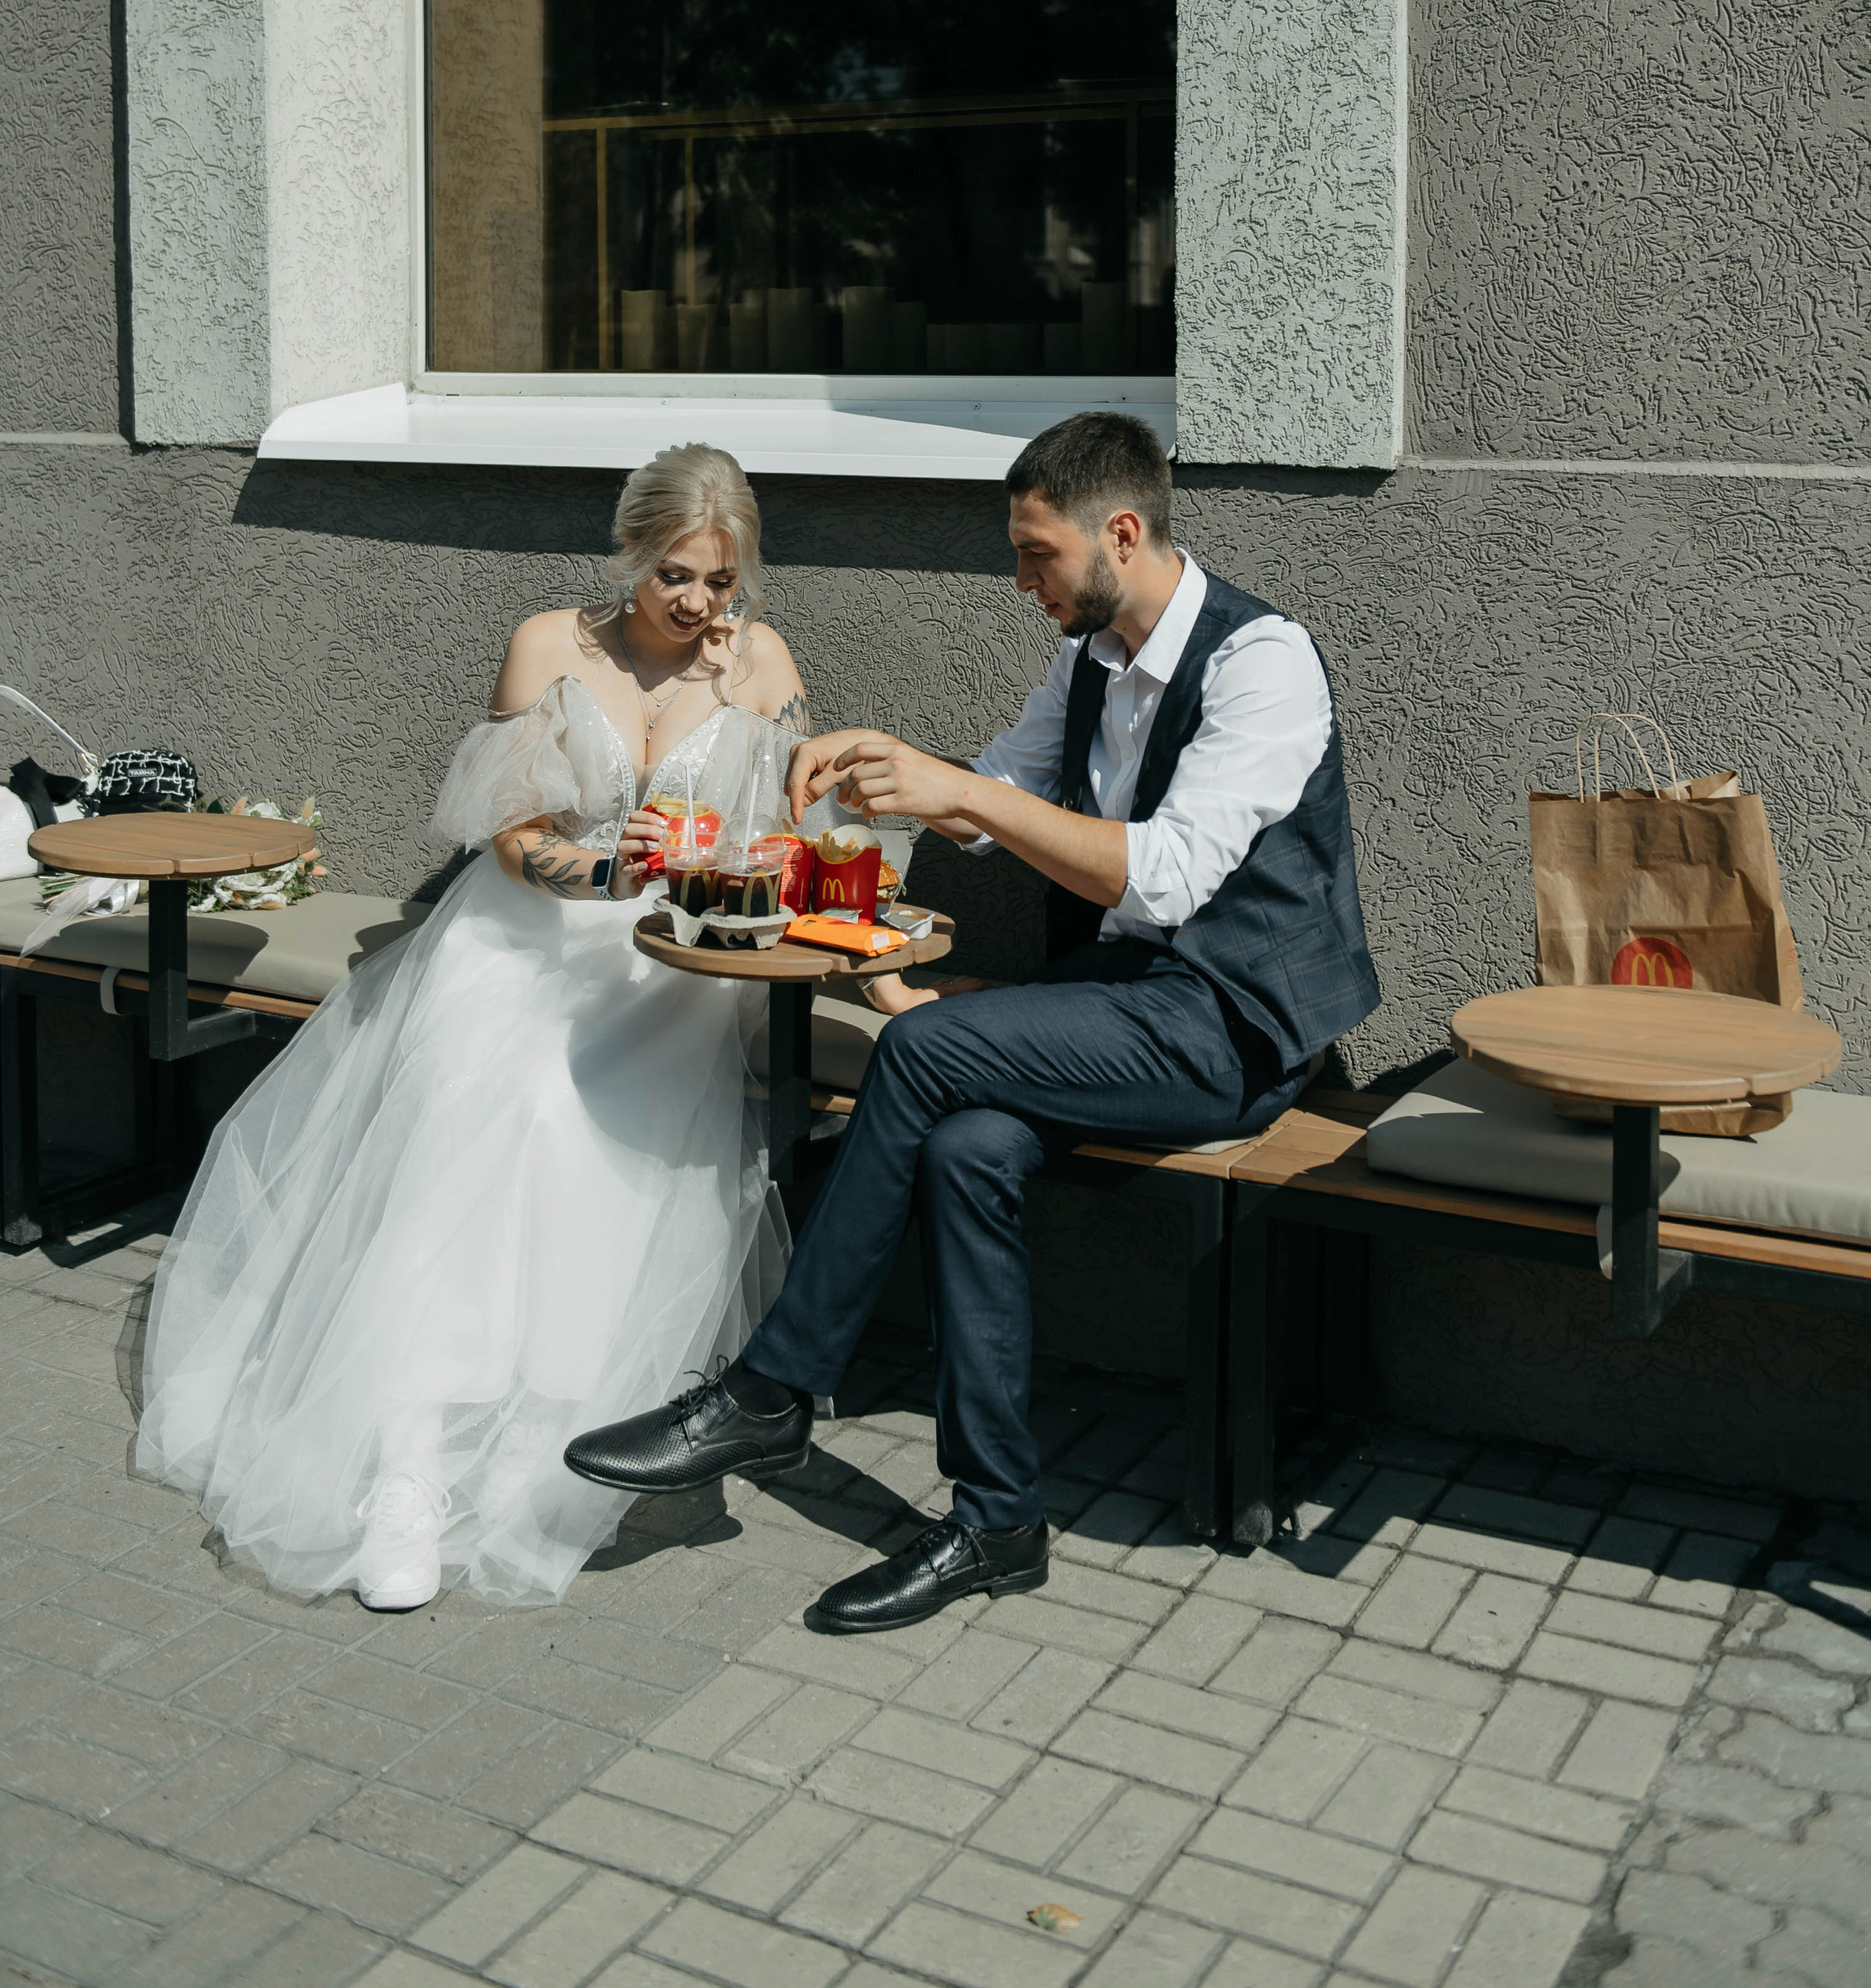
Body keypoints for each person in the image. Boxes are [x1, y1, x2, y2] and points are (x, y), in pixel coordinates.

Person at [564, 411, 1380, 1631]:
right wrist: (886, 766)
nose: (1020, 580)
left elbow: (1159, 874)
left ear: (1121, 531)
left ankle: (771, 1386)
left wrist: (962, 790)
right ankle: (998, 1520)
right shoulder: (1091, 652)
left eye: (1035, 554)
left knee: (925, 1041)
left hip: (1231, 1023)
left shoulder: (1264, 659)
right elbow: (991, 794)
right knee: (965, 1143)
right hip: (1119, 1002)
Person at [136, 444, 808, 1611]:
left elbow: (792, 832)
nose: (699, 602)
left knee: (572, 1123)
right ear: (631, 548)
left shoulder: (759, 663)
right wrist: (605, 868)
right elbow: (513, 837)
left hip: (666, 971)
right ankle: (403, 1452)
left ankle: (533, 1431)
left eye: (721, 580)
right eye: (675, 574)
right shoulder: (550, 645)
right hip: (525, 936)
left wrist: (725, 840)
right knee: (481, 1101)